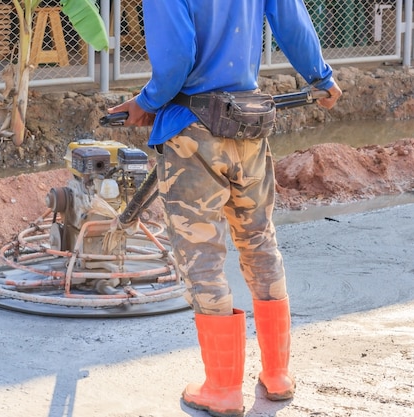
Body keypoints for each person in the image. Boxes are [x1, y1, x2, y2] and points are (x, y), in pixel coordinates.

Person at [108, 1, 342, 416]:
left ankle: (222, 387)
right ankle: (277, 376)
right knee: (260, 241)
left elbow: (177, 58)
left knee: (203, 256)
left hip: (192, 133)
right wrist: (321, 77)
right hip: (249, 125)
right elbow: (291, 21)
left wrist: (147, 101)